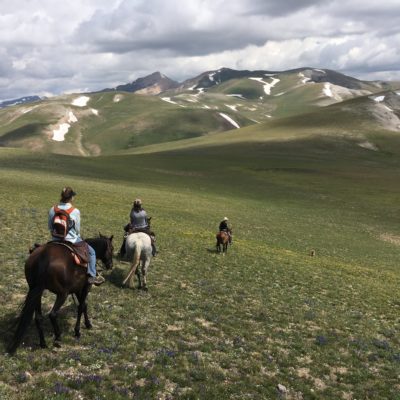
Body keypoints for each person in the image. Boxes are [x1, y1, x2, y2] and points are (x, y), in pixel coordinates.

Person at [48, 187, 105, 286]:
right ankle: (92, 276)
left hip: (55, 239)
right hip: (71, 240)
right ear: (71, 198)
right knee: (92, 252)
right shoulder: (75, 211)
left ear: (61, 196)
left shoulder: (53, 209)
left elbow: (50, 227)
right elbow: (77, 230)